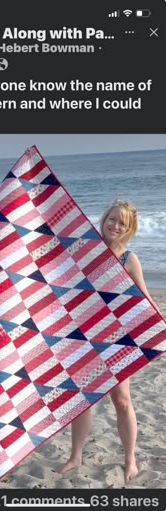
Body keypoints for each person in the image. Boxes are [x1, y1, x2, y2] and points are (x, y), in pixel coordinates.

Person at [58, 198, 160, 482]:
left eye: (122, 223)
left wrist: (159, 331)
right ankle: (75, 457)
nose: (115, 225)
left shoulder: (129, 259)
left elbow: (144, 297)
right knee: (83, 399)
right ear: (104, 219)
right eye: (112, 219)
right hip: (83, 334)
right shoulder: (86, 251)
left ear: (129, 229)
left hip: (118, 337)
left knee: (122, 399)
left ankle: (130, 459)